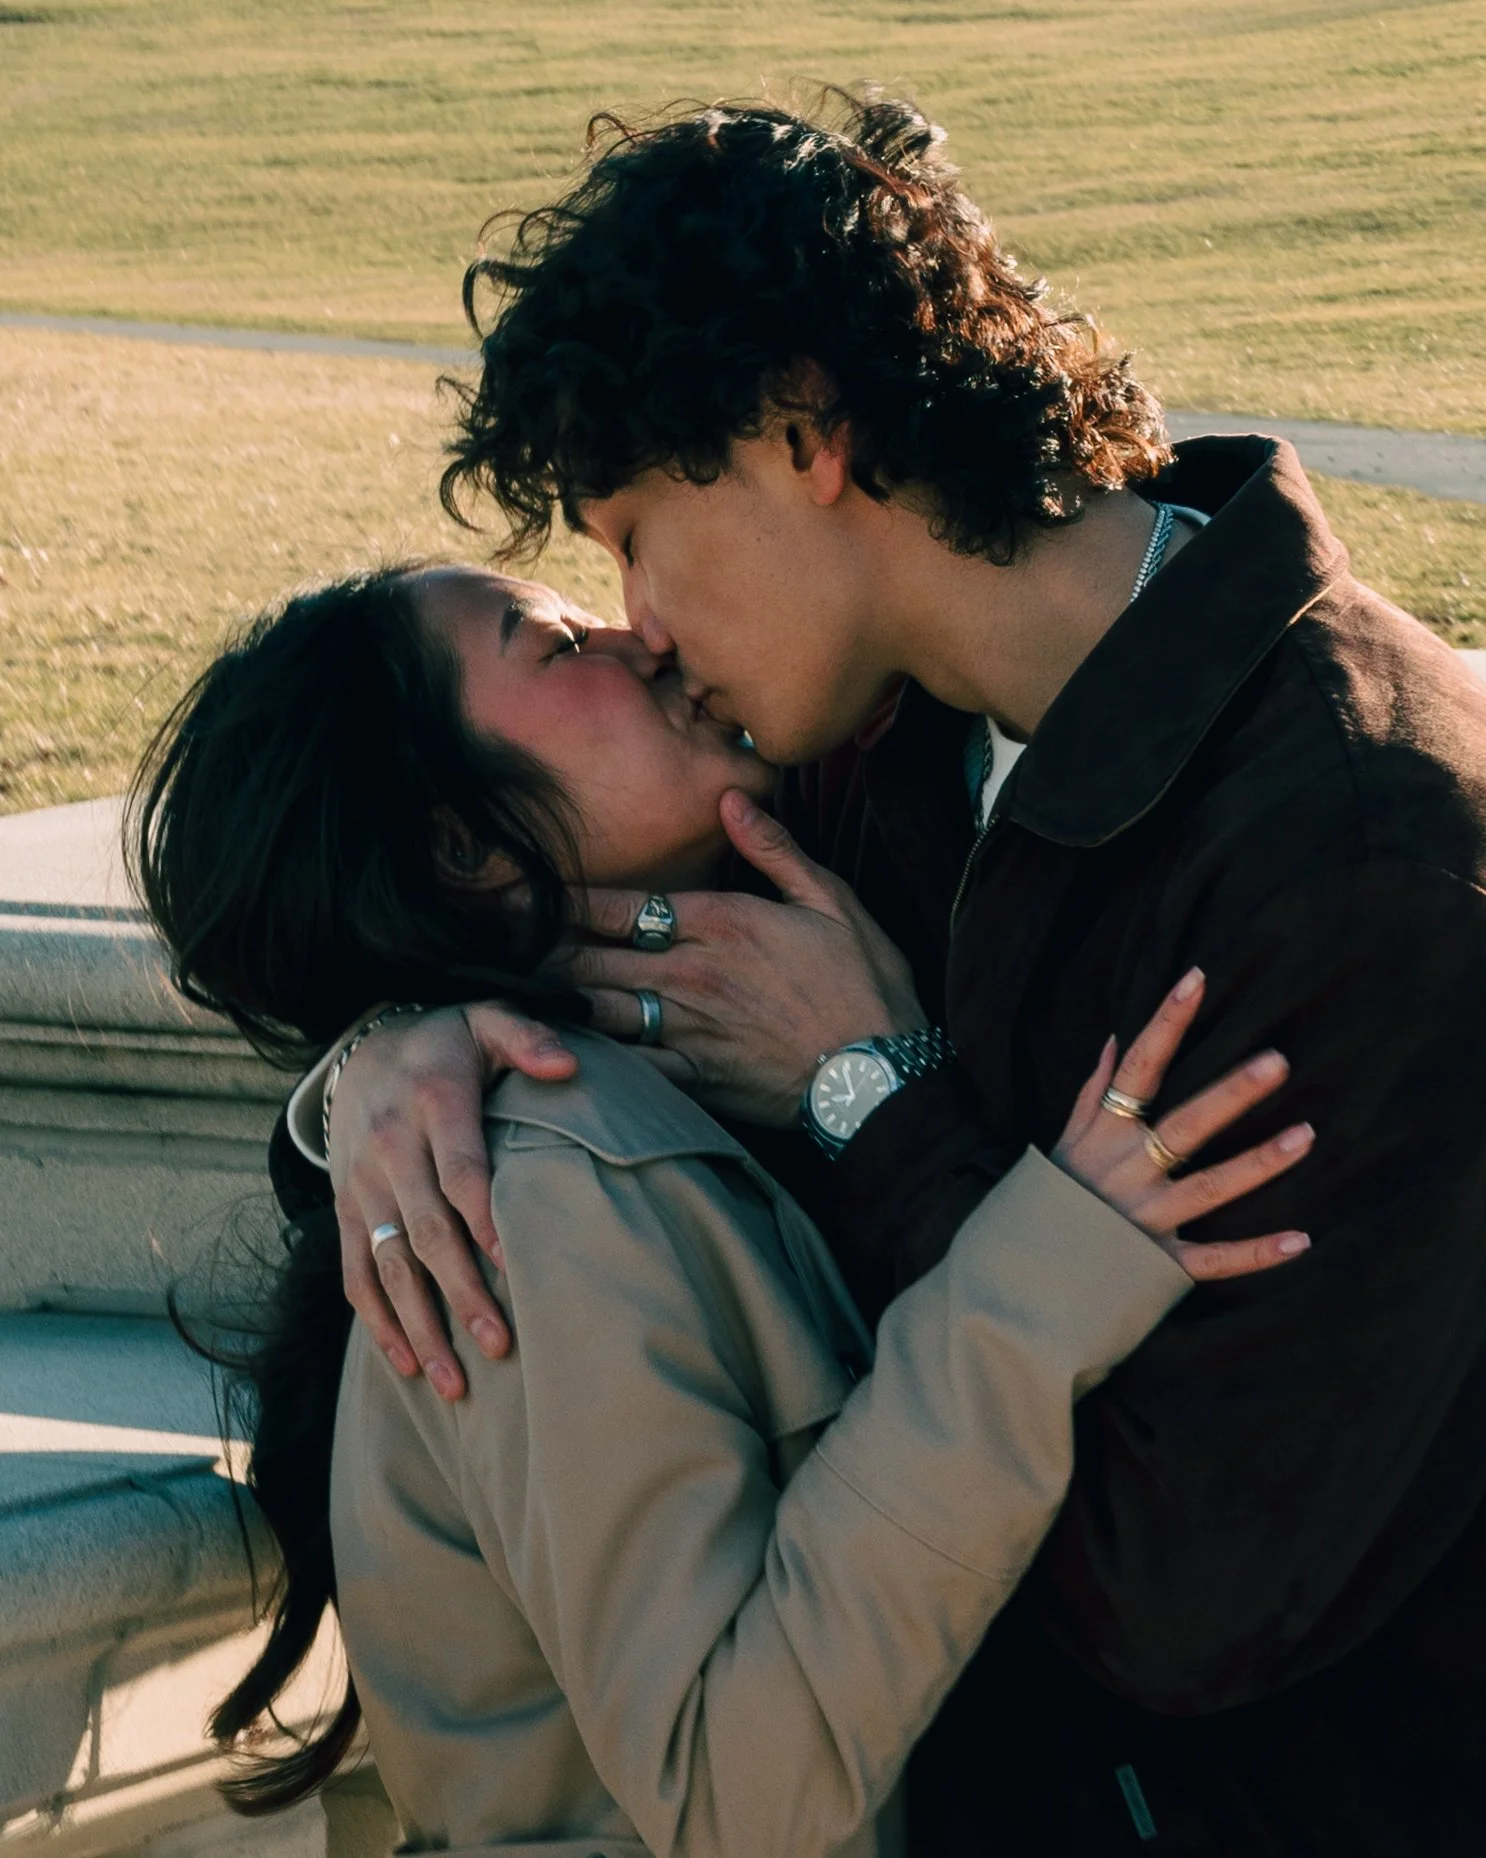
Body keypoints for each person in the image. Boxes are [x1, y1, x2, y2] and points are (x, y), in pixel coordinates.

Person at [307, 95, 1486, 1857]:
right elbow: (498, 921)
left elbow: (1179, 1604)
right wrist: (384, 1060)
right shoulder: (863, 751)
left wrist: (884, 1100)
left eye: (635, 531)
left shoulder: (1361, 847)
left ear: (805, 430)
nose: (636, 621)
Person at [128, 562, 1307, 1857]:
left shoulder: (630, 1090)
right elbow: (737, 1790)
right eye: (554, 638)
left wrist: (383, 1043)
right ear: (461, 844)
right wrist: (1036, 1279)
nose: (637, 630)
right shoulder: (542, 1192)